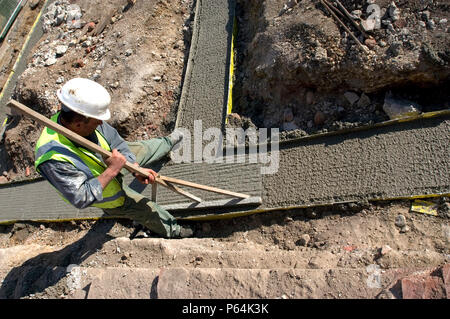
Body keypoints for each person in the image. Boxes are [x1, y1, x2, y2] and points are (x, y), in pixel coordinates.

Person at [34, 78, 194, 238]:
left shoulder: (85, 116)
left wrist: (134, 167)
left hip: (113, 160)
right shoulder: (52, 157)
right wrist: (112, 170)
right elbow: (81, 197)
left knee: (143, 148)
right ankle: (176, 231)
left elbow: (115, 139)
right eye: (97, 122)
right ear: (78, 124)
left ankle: (168, 142)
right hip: (109, 193)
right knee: (147, 210)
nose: (100, 124)